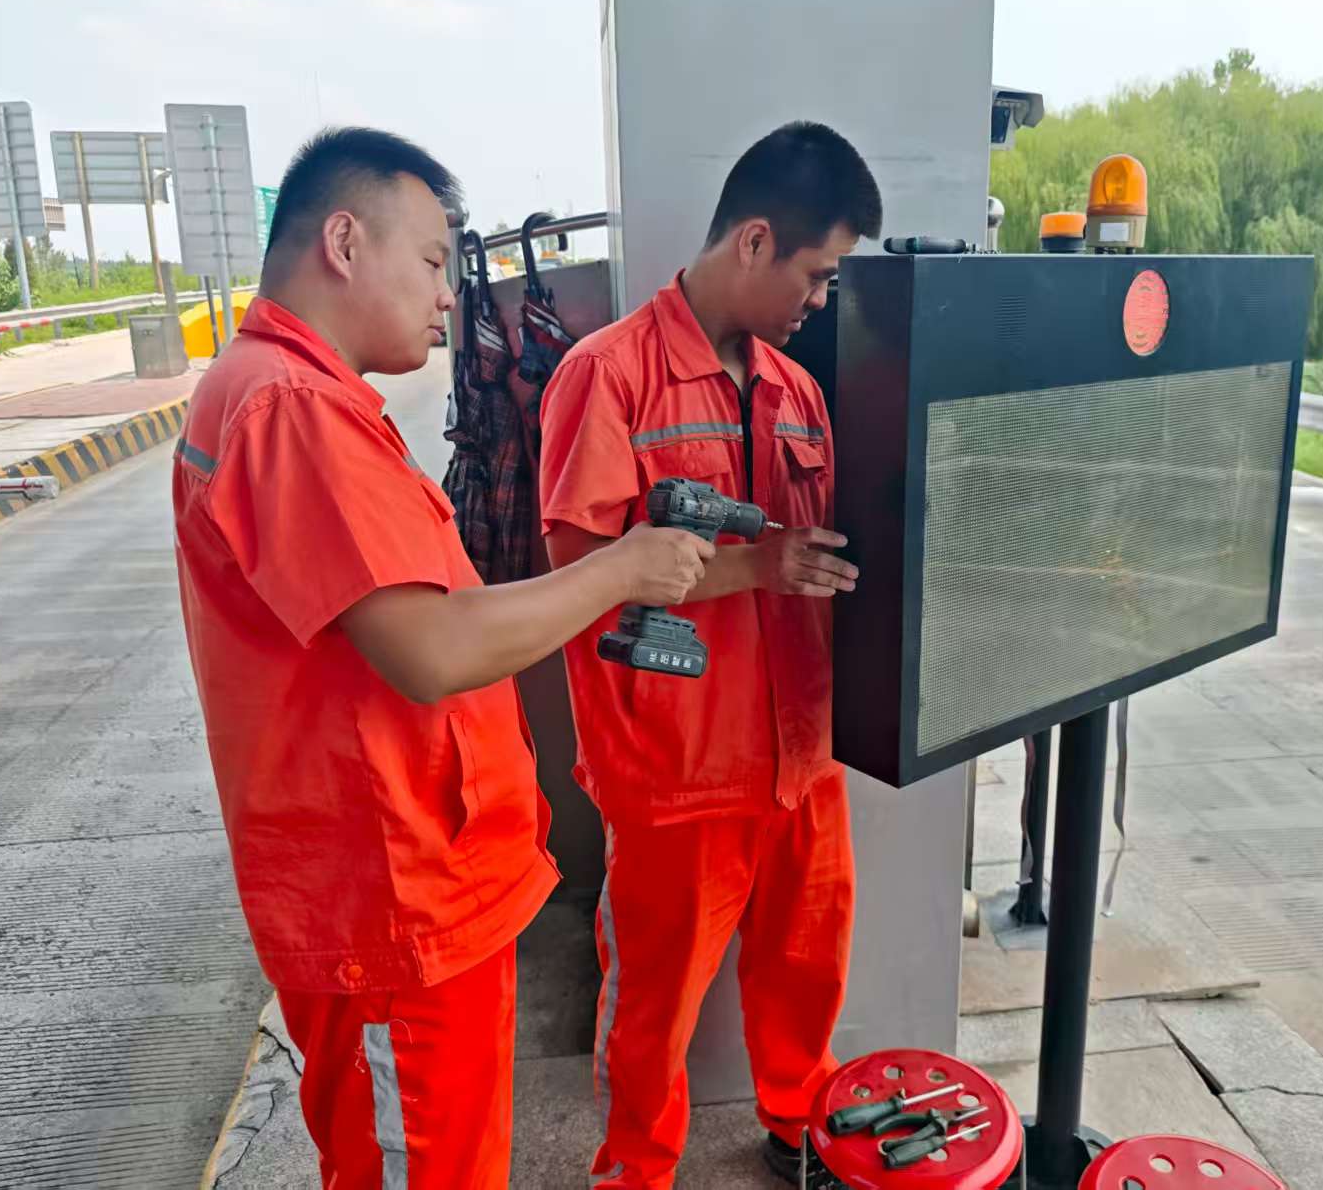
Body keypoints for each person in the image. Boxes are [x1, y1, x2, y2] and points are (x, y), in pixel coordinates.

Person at [172, 126, 713, 1190]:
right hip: (392, 912)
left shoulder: (291, 395)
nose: (446, 300)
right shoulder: (290, 409)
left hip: (418, 893)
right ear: (342, 242)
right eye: (429, 263)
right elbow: (429, 647)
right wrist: (619, 568)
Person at [538, 121, 882, 1187]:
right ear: (754, 240)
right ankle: (634, 1172)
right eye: (816, 274)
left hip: (801, 758)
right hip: (675, 774)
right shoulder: (607, 377)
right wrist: (760, 565)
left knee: (806, 969)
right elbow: (580, 578)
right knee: (654, 1009)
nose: (820, 299)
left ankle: (796, 1127)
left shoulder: (797, 392)